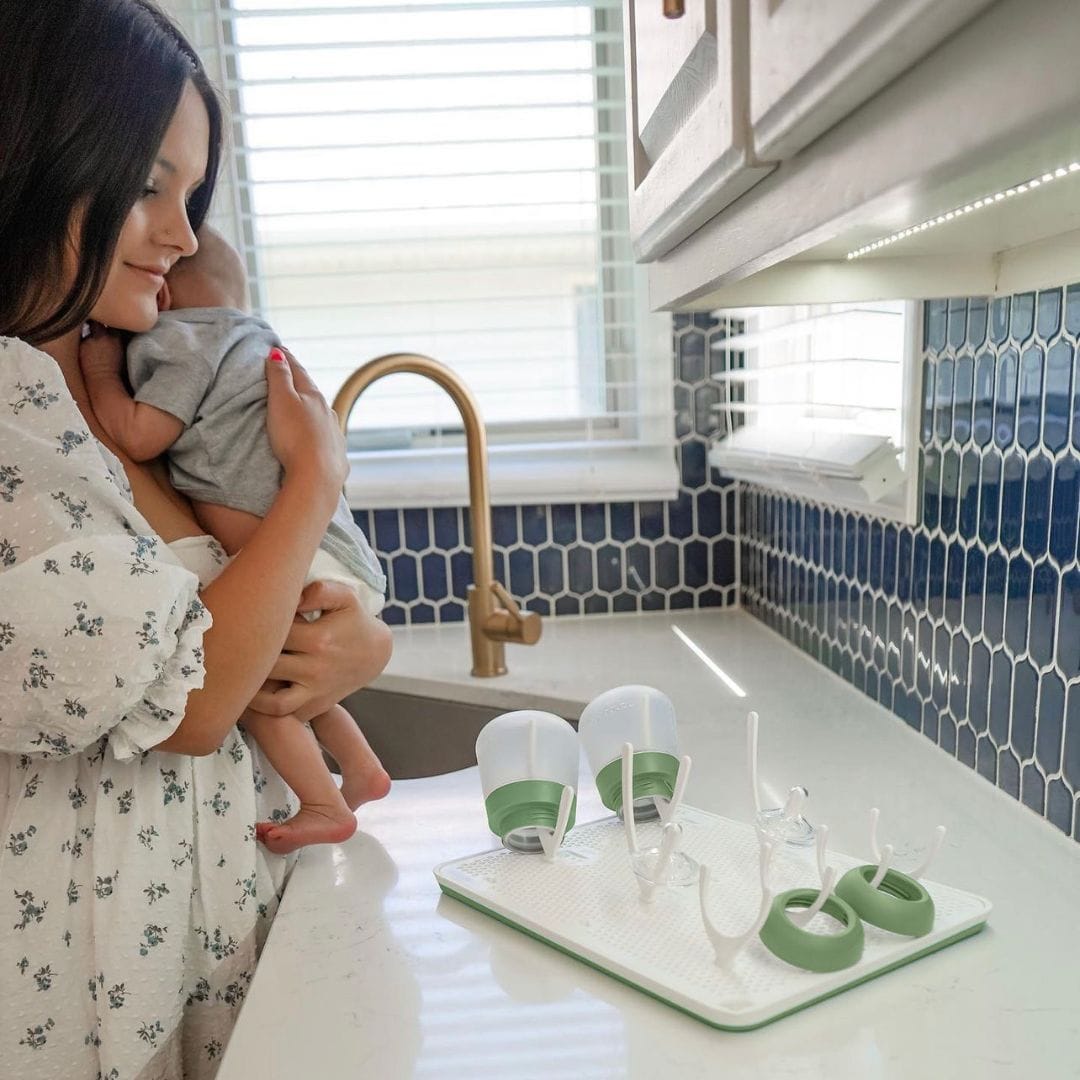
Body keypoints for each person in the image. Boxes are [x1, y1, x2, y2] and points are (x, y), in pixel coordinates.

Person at [0, 2, 392, 1077]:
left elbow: (234, 599)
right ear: (35, 153)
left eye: (191, 193)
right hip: (77, 1007)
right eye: (146, 185)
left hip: (206, 962)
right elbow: (199, 695)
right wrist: (316, 481)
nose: (182, 232)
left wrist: (358, 647)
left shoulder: (110, 387)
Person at [80, 226, 392, 854]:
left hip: (296, 552)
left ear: (164, 295)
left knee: (258, 692)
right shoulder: (253, 340)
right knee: (284, 681)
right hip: (334, 549)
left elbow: (138, 436)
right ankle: (361, 767)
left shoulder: (179, 340)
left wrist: (100, 368)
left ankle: (324, 800)